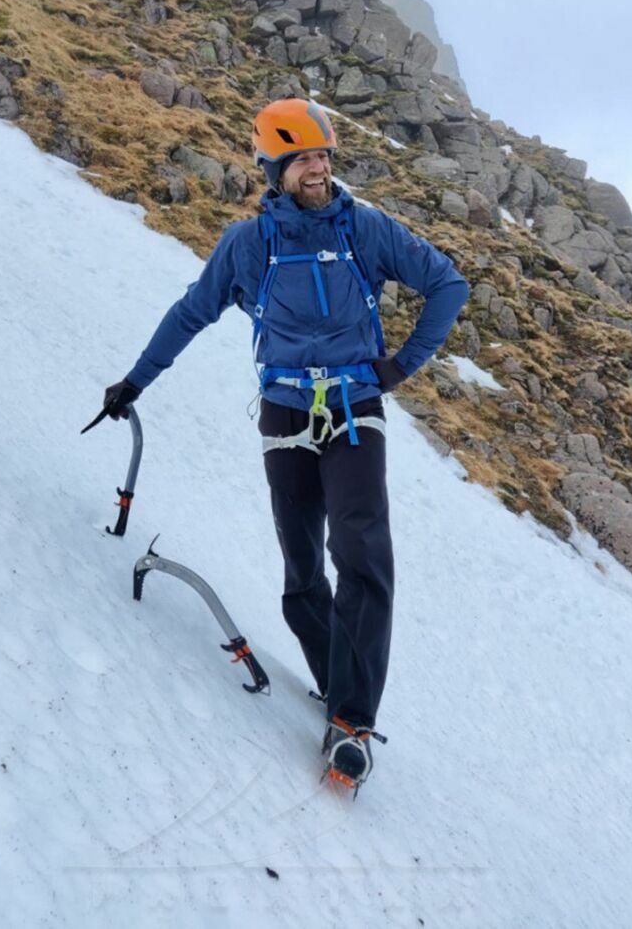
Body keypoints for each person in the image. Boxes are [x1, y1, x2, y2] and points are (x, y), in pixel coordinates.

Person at [96, 97, 469, 792]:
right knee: (302, 576)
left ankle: (352, 722)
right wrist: (135, 381)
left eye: (323, 156)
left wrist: (399, 367)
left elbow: (448, 284)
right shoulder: (248, 244)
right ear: (274, 169)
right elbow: (191, 313)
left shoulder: (365, 228)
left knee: (362, 554)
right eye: (302, 160)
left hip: (355, 411)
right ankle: (336, 682)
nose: (317, 169)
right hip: (284, 413)